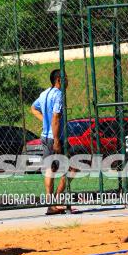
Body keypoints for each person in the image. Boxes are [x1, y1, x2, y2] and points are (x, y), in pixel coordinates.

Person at [31, 69, 75, 215]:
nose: (68, 81)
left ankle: (52, 205)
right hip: (56, 137)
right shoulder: (59, 95)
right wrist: (56, 140)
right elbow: (56, 117)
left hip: (45, 136)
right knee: (72, 168)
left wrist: (45, 121)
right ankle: (55, 201)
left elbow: (33, 108)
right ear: (59, 80)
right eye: (66, 78)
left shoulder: (44, 94)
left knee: (50, 170)